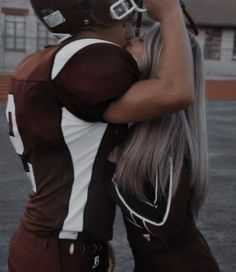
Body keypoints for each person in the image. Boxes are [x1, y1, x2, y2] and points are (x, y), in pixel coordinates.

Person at [6, 0, 195, 271]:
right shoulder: (88, 57)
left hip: (46, 241)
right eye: (124, 21)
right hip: (61, 250)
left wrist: (93, 237)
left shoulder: (43, 62)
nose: (131, 32)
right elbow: (177, 92)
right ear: (90, 13)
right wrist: (169, 12)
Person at [107, 24, 221, 272]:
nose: (133, 39)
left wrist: (110, 178)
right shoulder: (138, 129)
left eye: (142, 38)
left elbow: (162, 222)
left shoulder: (174, 143)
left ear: (156, 57)